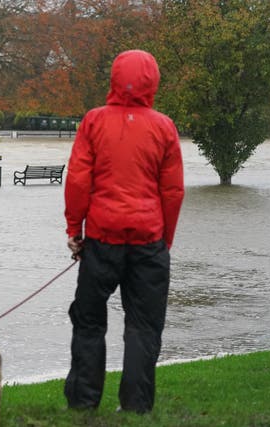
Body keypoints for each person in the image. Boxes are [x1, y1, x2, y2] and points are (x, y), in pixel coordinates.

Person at [63, 49, 184, 413]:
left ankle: (84, 401)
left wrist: (74, 229)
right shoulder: (164, 126)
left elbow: (79, 180)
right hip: (148, 240)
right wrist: (166, 239)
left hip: (102, 239)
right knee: (144, 326)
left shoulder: (94, 121)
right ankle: (136, 406)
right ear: (153, 81)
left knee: (88, 321)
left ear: (114, 79)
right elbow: (173, 190)